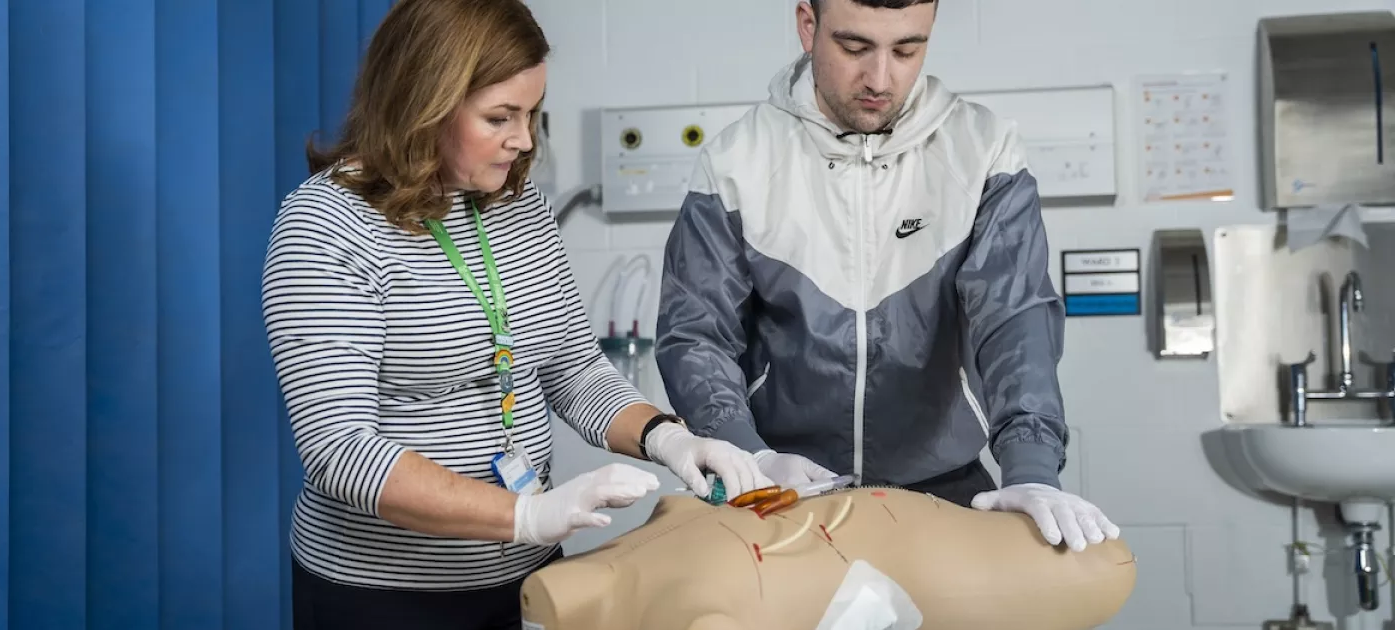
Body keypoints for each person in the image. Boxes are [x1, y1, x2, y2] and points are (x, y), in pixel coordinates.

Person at [261, 1, 772, 627]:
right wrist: (524, 516)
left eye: (533, 113)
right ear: (423, 101)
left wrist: (669, 437)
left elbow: (573, 369)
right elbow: (338, 450)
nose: (524, 139)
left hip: (526, 572)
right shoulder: (325, 227)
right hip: (383, 595)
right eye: (500, 117)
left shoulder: (515, 204)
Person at [654, 0, 1120, 553]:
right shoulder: (736, 162)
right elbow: (696, 335)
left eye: (907, 49)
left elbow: (1014, 319)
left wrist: (1032, 465)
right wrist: (747, 452)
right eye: (854, 48)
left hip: (946, 486)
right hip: (782, 486)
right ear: (809, 26)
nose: (880, 78)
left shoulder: (984, 150)